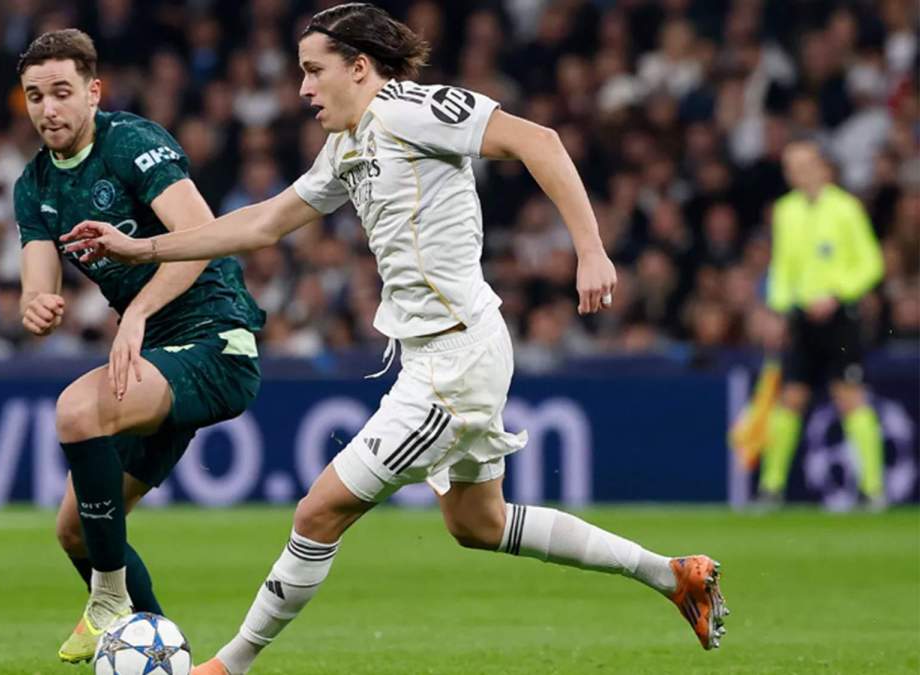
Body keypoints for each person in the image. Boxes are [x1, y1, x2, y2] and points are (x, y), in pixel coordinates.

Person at [60, 5, 727, 671]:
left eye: (314, 71)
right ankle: (674, 576)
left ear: (358, 66)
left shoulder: (410, 110)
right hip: (445, 353)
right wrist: (146, 248)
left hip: (454, 361)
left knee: (318, 510)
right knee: (478, 523)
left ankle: (225, 665)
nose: (303, 88)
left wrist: (591, 249)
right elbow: (265, 222)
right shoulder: (349, 143)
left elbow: (540, 140)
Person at [13, 29, 265, 663]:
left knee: (77, 410)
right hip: (153, 357)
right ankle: (161, 652)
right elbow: (37, 277)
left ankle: (107, 600)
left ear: (94, 92)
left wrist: (137, 315)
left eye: (62, 92)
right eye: (35, 95)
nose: (48, 109)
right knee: (76, 530)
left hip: (214, 338)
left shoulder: (131, 143)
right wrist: (35, 304)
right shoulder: (35, 185)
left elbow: (204, 234)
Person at [758, 139, 886, 508]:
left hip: (841, 317)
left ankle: (872, 489)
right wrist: (780, 305)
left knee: (849, 396)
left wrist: (836, 292)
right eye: (789, 166)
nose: (794, 172)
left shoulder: (845, 209)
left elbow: (870, 263)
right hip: (802, 318)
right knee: (791, 397)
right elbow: (782, 267)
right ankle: (771, 488)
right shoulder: (785, 211)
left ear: (821, 167)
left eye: (801, 164)